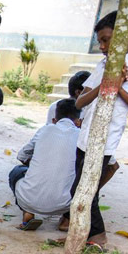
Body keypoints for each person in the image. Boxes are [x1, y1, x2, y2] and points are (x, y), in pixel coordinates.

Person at [61, 11, 128, 245]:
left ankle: (97, 236)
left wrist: (119, 89)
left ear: (123, 37)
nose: (101, 46)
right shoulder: (103, 64)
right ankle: (85, 233)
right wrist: (105, 83)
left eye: (106, 40)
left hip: (104, 141)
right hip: (84, 137)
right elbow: (79, 102)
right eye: (99, 40)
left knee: (84, 191)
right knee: (81, 190)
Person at [9, 99, 81, 231]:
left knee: (16, 171)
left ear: (54, 120)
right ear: (78, 122)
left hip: (28, 200)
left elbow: (21, 156)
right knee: (77, 176)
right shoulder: (81, 136)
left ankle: (27, 213)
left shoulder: (44, 130)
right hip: (65, 204)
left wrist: (38, 165)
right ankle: (67, 219)